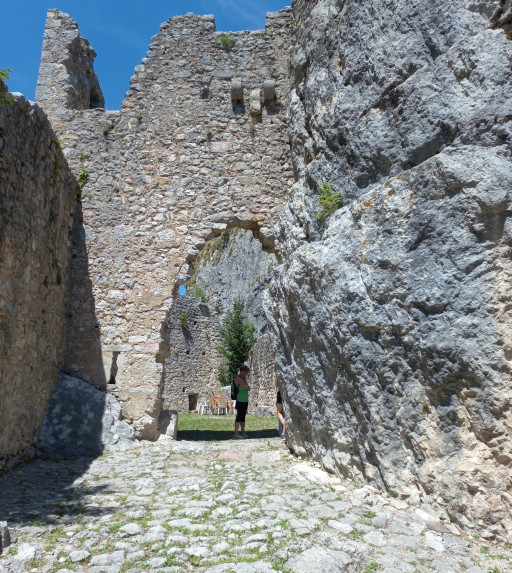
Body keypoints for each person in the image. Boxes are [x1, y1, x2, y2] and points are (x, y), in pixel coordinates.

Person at [233, 365, 250, 439]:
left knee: (243, 417)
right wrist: (244, 379)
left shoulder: (243, 378)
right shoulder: (238, 379)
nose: (246, 374)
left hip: (245, 400)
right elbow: (248, 388)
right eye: (246, 373)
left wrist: (245, 379)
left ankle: (243, 432)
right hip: (240, 400)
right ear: (243, 372)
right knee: (239, 416)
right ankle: (236, 433)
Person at [275, 374, 286, 440]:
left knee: (279, 412)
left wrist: (276, 389)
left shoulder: (278, 372)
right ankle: (284, 432)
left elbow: (276, 381)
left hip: (280, 393)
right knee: (284, 413)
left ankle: (283, 431)